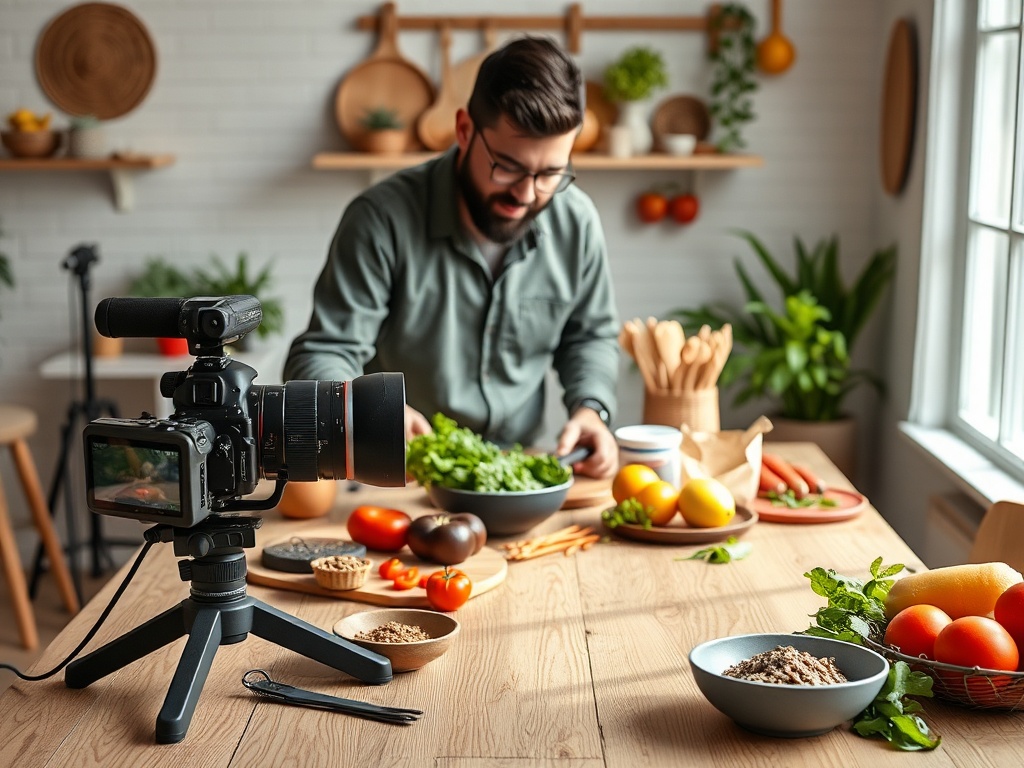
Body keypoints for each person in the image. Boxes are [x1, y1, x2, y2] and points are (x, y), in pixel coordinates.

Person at [284, 36, 619, 478]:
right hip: (399, 474)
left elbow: (589, 337)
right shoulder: (380, 219)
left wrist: (592, 408)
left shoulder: (577, 222)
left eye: (550, 173)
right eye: (509, 166)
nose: (526, 193)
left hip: (517, 472)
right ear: (464, 131)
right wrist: (370, 413)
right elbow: (325, 351)